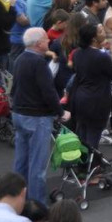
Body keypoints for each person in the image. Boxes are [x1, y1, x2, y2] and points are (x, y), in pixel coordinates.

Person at [12, 27, 69, 204]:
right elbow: (48, 91)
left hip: (20, 114)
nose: (49, 41)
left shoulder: (20, 59)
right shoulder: (38, 63)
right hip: (37, 118)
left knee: (21, 161)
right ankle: (37, 206)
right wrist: (60, 112)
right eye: (45, 39)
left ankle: (16, 198)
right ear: (38, 44)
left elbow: (15, 88)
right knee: (37, 165)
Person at [71, 24, 112, 172]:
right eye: (100, 32)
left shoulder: (77, 54)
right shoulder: (101, 56)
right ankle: (92, 168)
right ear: (94, 39)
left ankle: (82, 164)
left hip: (80, 97)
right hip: (97, 99)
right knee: (94, 133)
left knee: (82, 132)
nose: (103, 33)